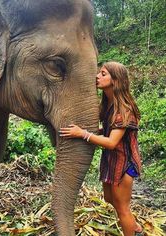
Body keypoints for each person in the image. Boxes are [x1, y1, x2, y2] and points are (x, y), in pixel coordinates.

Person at [59, 61, 143, 236]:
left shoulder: (124, 110)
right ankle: (135, 227)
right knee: (109, 198)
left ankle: (133, 231)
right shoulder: (109, 105)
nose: (97, 76)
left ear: (116, 80)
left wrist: (83, 134)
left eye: (103, 74)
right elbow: (108, 131)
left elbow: (112, 142)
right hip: (112, 161)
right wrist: (87, 131)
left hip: (124, 164)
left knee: (122, 209)